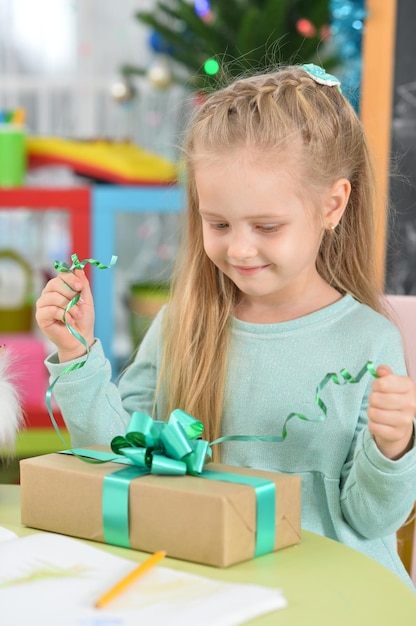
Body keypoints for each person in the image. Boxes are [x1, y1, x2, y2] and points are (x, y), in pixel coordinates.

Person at [36, 64, 416, 588]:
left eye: (266, 226)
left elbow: (374, 521)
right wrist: (78, 358)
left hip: (334, 591)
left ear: (332, 205)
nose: (238, 249)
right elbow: (115, 459)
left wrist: (393, 447)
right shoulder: (180, 325)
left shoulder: (370, 340)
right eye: (218, 224)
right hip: (208, 584)